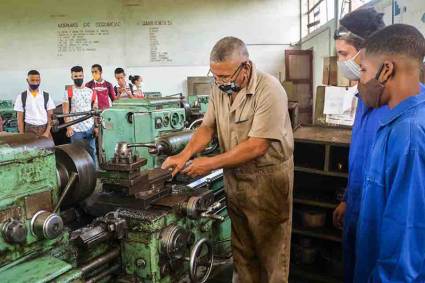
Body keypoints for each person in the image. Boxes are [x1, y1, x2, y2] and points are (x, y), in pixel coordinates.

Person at [162, 37, 294, 283]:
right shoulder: (219, 88)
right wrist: (184, 154)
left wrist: (209, 164)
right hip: (235, 178)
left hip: (267, 180)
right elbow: (207, 127)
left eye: (225, 77)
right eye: (216, 76)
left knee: (271, 253)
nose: (221, 83)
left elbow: (257, 145)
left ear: (246, 66)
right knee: (242, 250)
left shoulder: (269, 89)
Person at [354, 24, 425, 282]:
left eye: (363, 70)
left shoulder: (409, 136)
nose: (360, 81)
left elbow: (406, 240)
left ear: (386, 69)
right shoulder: (398, 120)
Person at [330, 8, 387, 283]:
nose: (341, 62)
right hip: (358, 210)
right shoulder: (367, 95)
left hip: (382, 221)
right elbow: (361, 158)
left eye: (344, 54)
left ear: (369, 51)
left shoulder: (399, 107)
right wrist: (348, 199)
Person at [62, 66, 98, 162]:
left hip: (89, 127)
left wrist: (96, 126)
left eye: (80, 75)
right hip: (75, 129)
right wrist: (68, 127)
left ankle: (93, 174)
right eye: (76, 76)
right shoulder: (68, 92)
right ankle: (80, 175)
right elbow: (65, 112)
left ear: (83, 75)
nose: (78, 78)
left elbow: (95, 111)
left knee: (92, 151)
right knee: (77, 154)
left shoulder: (91, 92)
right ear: (72, 77)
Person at [14, 70, 56, 137]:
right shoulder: (21, 97)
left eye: (37, 80)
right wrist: (22, 134)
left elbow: (50, 116)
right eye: (32, 80)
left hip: (44, 129)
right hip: (29, 129)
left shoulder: (46, 96)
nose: (35, 83)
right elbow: (19, 119)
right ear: (27, 80)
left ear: (40, 80)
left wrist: (47, 132)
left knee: (47, 147)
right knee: (30, 148)